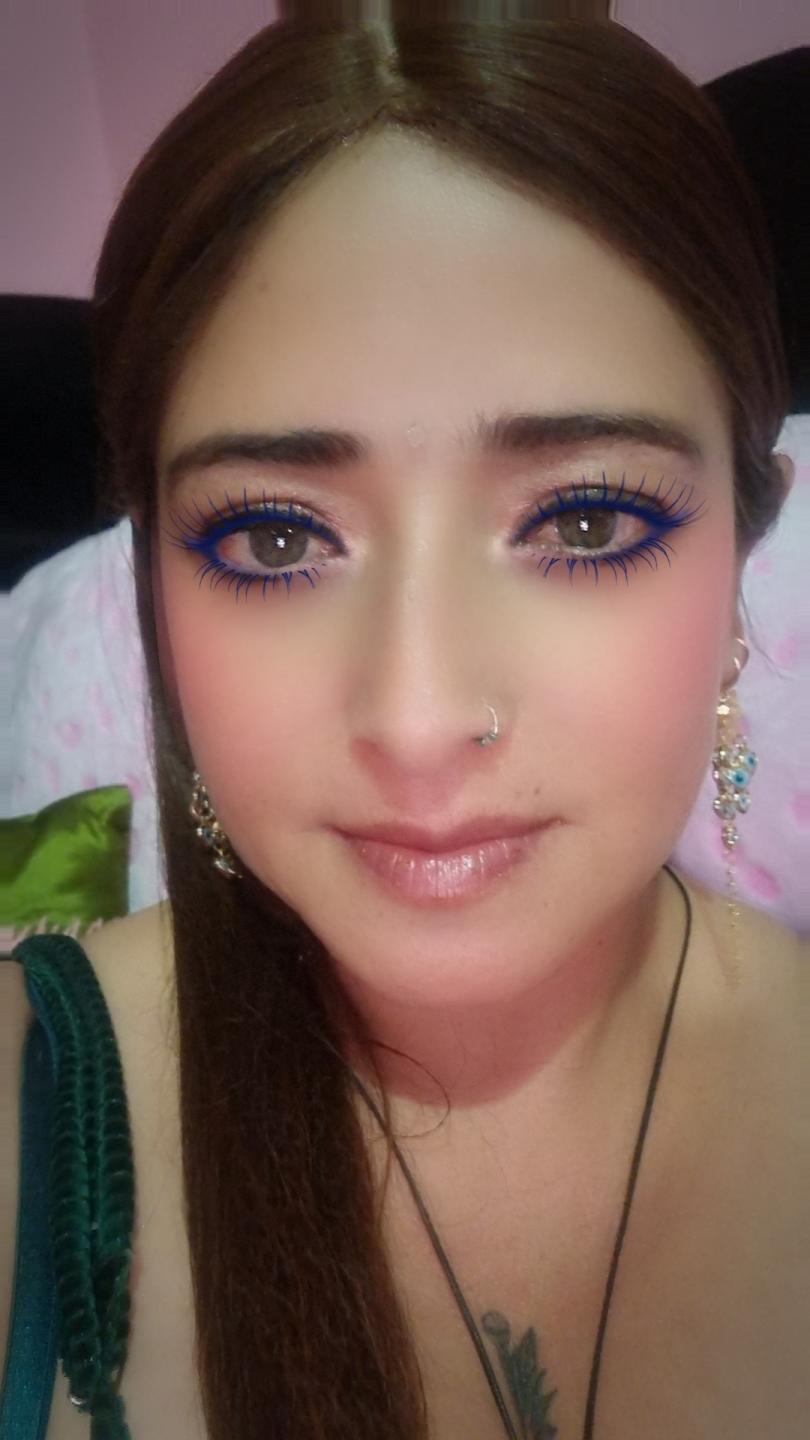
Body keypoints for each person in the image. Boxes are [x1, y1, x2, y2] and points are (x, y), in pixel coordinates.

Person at [1, 13, 807, 1440]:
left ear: (744, 542)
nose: (421, 720)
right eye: (272, 538)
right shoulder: (37, 1116)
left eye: (584, 520)